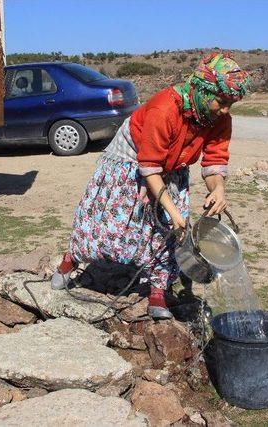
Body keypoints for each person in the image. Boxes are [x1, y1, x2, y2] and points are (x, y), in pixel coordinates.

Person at [51, 52, 251, 319]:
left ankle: (157, 291)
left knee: (169, 234)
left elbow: (215, 160)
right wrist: (173, 210)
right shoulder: (165, 108)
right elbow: (149, 167)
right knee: (104, 226)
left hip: (171, 169)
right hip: (131, 163)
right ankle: (70, 261)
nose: (225, 109)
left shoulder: (218, 119)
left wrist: (218, 189)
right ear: (202, 89)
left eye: (231, 103)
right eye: (221, 101)